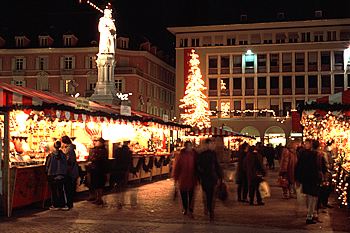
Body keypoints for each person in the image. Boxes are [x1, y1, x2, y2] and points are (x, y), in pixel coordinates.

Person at [295, 139, 322, 224]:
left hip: (308, 179)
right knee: (312, 197)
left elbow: (299, 166)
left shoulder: (304, 154)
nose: (306, 145)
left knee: (312, 197)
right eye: (306, 143)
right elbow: (301, 167)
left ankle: (311, 215)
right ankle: (310, 216)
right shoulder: (311, 154)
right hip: (311, 179)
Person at [197, 138, 223, 220]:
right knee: (208, 194)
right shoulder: (203, 155)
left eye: (213, 144)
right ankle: (209, 209)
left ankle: (210, 209)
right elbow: (198, 167)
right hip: (206, 177)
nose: (213, 146)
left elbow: (217, 166)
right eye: (212, 144)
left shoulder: (213, 154)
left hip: (211, 177)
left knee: (211, 195)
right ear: (207, 145)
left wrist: (220, 176)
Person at [174, 141, 198, 217]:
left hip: (192, 178)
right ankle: (185, 208)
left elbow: (197, 166)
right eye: (187, 146)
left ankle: (190, 209)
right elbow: (177, 167)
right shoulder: (181, 155)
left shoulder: (195, 155)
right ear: (185, 147)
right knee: (184, 195)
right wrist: (176, 178)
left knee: (191, 195)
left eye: (190, 146)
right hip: (183, 178)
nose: (189, 148)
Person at [45, 141, 68, 210]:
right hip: (61, 174)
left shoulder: (50, 156)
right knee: (61, 189)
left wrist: (47, 171)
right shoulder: (63, 155)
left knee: (54, 190)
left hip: (52, 174)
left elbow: (47, 165)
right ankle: (62, 204)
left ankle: (55, 205)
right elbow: (65, 165)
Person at [87, 137, 108, 205]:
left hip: (99, 169)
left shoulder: (102, 150)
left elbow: (98, 158)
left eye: (97, 141)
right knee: (96, 184)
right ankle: (97, 198)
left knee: (99, 184)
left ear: (101, 143)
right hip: (96, 169)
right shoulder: (97, 149)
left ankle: (99, 198)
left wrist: (92, 160)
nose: (95, 142)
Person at [61, 136, 79, 209]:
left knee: (69, 188)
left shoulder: (69, 150)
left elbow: (69, 161)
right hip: (72, 171)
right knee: (70, 188)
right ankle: (69, 203)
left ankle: (69, 204)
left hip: (70, 172)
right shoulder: (70, 149)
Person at [114, 141, 133, 208]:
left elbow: (116, 158)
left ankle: (118, 201)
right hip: (125, 168)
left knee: (118, 183)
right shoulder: (129, 151)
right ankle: (121, 200)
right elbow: (130, 161)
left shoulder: (117, 150)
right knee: (123, 183)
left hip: (118, 168)